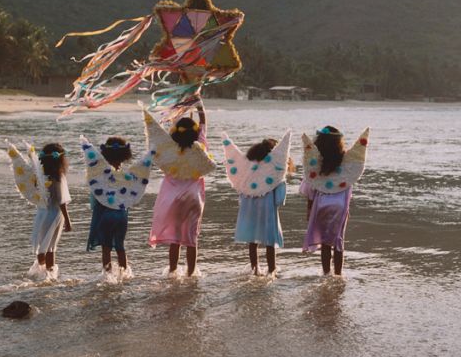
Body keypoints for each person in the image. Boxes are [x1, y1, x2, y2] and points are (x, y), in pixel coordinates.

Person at [144, 102, 216, 276]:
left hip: (173, 200)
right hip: (193, 199)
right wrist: (199, 105)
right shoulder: (200, 148)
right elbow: (204, 123)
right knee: (191, 240)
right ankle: (191, 274)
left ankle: (173, 272)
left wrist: (179, 107)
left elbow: (167, 132)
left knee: (175, 240)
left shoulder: (169, 151)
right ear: (195, 132)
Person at [79, 134, 155, 279]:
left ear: (105, 154)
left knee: (106, 249)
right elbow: (142, 170)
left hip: (105, 216)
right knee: (120, 247)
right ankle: (124, 275)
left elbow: (96, 195)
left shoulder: (101, 174)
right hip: (121, 216)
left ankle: (108, 276)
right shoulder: (128, 176)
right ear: (124, 155)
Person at [300, 126, 369, 276]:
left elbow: (310, 188)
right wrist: (346, 210)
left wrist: (309, 209)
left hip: (321, 204)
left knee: (325, 244)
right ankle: (338, 275)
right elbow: (348, 186)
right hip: (340, 205)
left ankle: (326, 274)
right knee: (338, 242)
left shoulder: (316, 163)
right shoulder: (345, 162)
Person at [221, 132, 292, 276]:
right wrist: (278, 202)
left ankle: (255, 268)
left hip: (249, 207)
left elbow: (241, 187)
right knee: (269, 240)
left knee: (252, 240)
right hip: (267, 209)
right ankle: (272, 269)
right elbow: (279, 197)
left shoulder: (248, 167)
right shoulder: (274, 172)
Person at [6, 141, 72, 280]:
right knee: (51, 247)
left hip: (42, 214)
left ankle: (42, 271)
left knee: (42, 244)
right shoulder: (57, 177)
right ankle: (49, 275)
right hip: (54, 215)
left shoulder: (38, 177)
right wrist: (67, 219)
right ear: (60, 160)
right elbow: (61, 201)